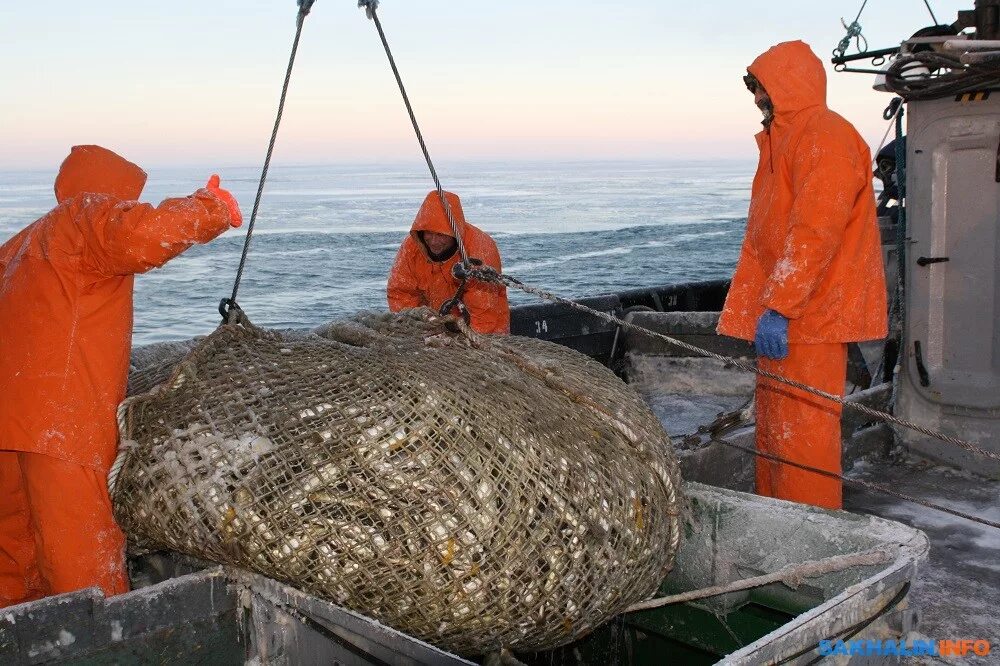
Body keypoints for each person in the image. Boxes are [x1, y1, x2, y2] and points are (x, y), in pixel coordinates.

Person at [0, 145, 242, 607]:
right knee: (82, 558)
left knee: (14, 552)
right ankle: (107, 647)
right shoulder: (83, 217)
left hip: (9, 423)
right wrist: (210, 209)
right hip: (61, 423)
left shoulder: (23, 245)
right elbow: (141, 236)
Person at [717, 41, 888, 510]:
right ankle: (777, 529)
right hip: (788, 317)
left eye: (763, 88)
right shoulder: (786, 139)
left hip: (809, 319)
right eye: (754, 89)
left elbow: (815, 232)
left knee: (803, 443)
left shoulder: (825, 136)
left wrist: (780, 306)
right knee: (774, 436)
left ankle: (812, 541)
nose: (757, 99)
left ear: (789, 86)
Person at [387, 190, 510, 334]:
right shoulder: (412, 247)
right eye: (429, 233)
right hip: (434, 329)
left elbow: (484, 311)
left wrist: (472, 343)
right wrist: (417, 327)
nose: (434, 242)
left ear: (454, 232)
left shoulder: (479, 248)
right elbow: (401, 293)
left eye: (440, 235)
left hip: (487, 331)